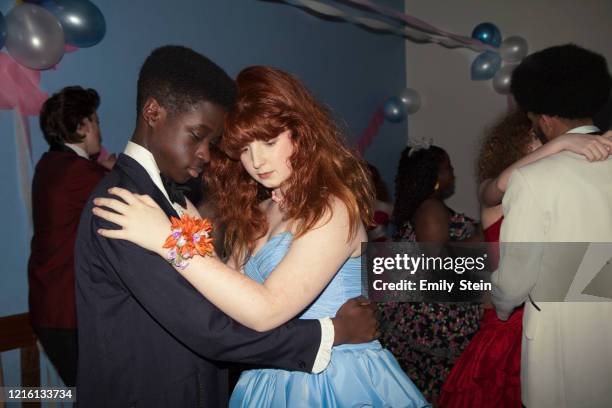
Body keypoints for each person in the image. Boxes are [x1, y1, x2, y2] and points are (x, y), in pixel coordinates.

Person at [92, 65, 430, 407]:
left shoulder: (332, 206)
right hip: (267, 378)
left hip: (335, 379)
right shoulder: (260, 210)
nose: (256, 161)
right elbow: (227, 301)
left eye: (269, 141)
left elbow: (266, 310)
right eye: (243, 148)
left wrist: (170, 240)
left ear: (301, 132)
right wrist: (191, 237)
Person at [439, 109, 612, 407]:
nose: (544, 141)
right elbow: (499, 187)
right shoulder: (495, 190)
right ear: (515, 147)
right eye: (536, 139)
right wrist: (563, 144)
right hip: (506, 323)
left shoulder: (554, 187)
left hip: (549, 319)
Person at [492, 43, 612, 407]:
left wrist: (500, 306)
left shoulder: (534, 180)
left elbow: (515, 280)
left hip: (565, 344)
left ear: (544, 119)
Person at [376, 142, 482, 404]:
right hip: (435, 323)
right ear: (432, 175)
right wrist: (482, 236)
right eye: (447, 168)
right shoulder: (431, 208)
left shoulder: (428, 207)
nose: (453, 172)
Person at [27, 86, 112, 387]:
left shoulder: (49, 165)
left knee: (84, 394)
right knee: (95, 396)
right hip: (65, 312)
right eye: (96, 121)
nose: (100, 130)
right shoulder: (79, 173)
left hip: (49, 307)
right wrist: (110, 171)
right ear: (81, 127)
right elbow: (126, 189)